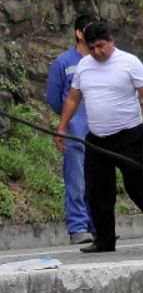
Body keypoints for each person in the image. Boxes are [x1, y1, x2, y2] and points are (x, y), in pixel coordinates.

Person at [54, 21, 143, 254]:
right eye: (91, 47)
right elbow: (73, 98)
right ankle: (104, 239)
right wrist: (61, 128)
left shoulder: (129, 63)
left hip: (128, 135)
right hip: (97, 136)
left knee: (136, 185)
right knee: (98, 189)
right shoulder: (84, 66)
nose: (97, 52)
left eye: (101, 46)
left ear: (111, 41)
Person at [46, 13, 96, 244]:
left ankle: (97, 226)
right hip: (75, 134)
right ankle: (78, 228)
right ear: (78, 33)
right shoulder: (63, 63)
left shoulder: (101, 60)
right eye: (90, 28)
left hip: (99, 135)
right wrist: (67, 123)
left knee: (97, 182)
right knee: (76, 183)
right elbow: (55, 99)